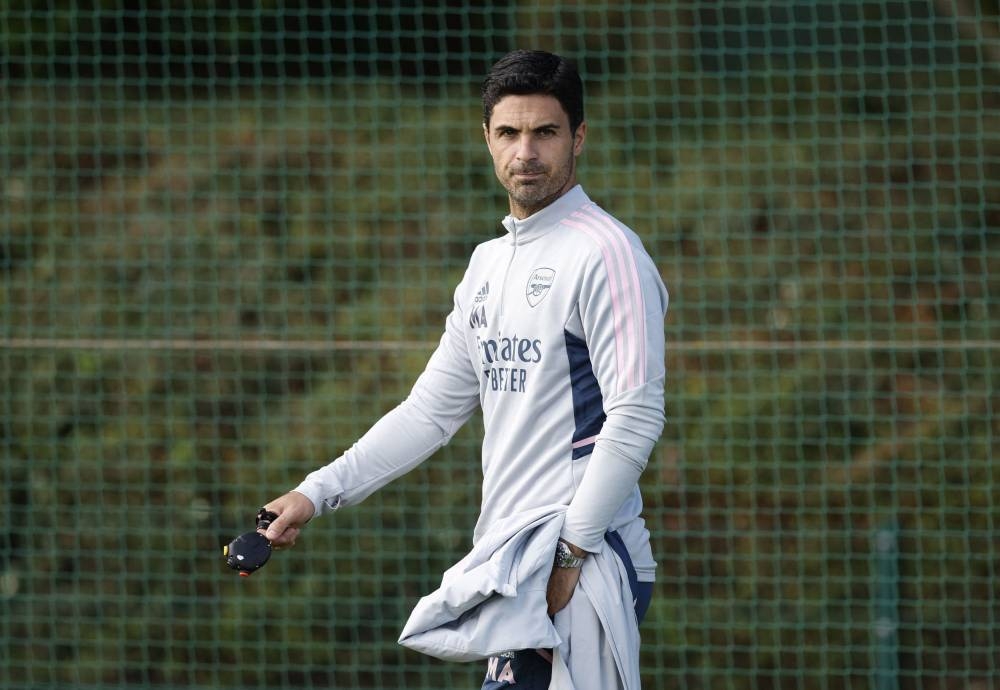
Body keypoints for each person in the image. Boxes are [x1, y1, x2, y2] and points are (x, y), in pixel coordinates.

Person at [257, 49, 668, 689]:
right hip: (513, 565)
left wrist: (569, 554)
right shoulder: (486, 265)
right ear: (486, 138)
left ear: (578, 137)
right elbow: (429, 412)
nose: (525, 152)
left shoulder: (607, 253)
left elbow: (636, 415)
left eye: (545, 132)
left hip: (581, 562)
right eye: (509, 132)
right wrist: (315, 493)